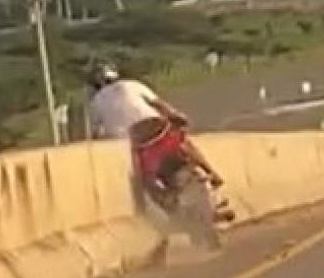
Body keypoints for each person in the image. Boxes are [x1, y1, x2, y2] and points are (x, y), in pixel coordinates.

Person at [85, 61, 226, 213]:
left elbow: (97, 134)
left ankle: (171, 210)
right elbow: (159, 105)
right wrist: (177, 115)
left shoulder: (95, 103)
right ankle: (212, 173)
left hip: (137, 143)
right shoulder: (132, 85)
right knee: (184, 144)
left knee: (145, 183)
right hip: (157, 128)